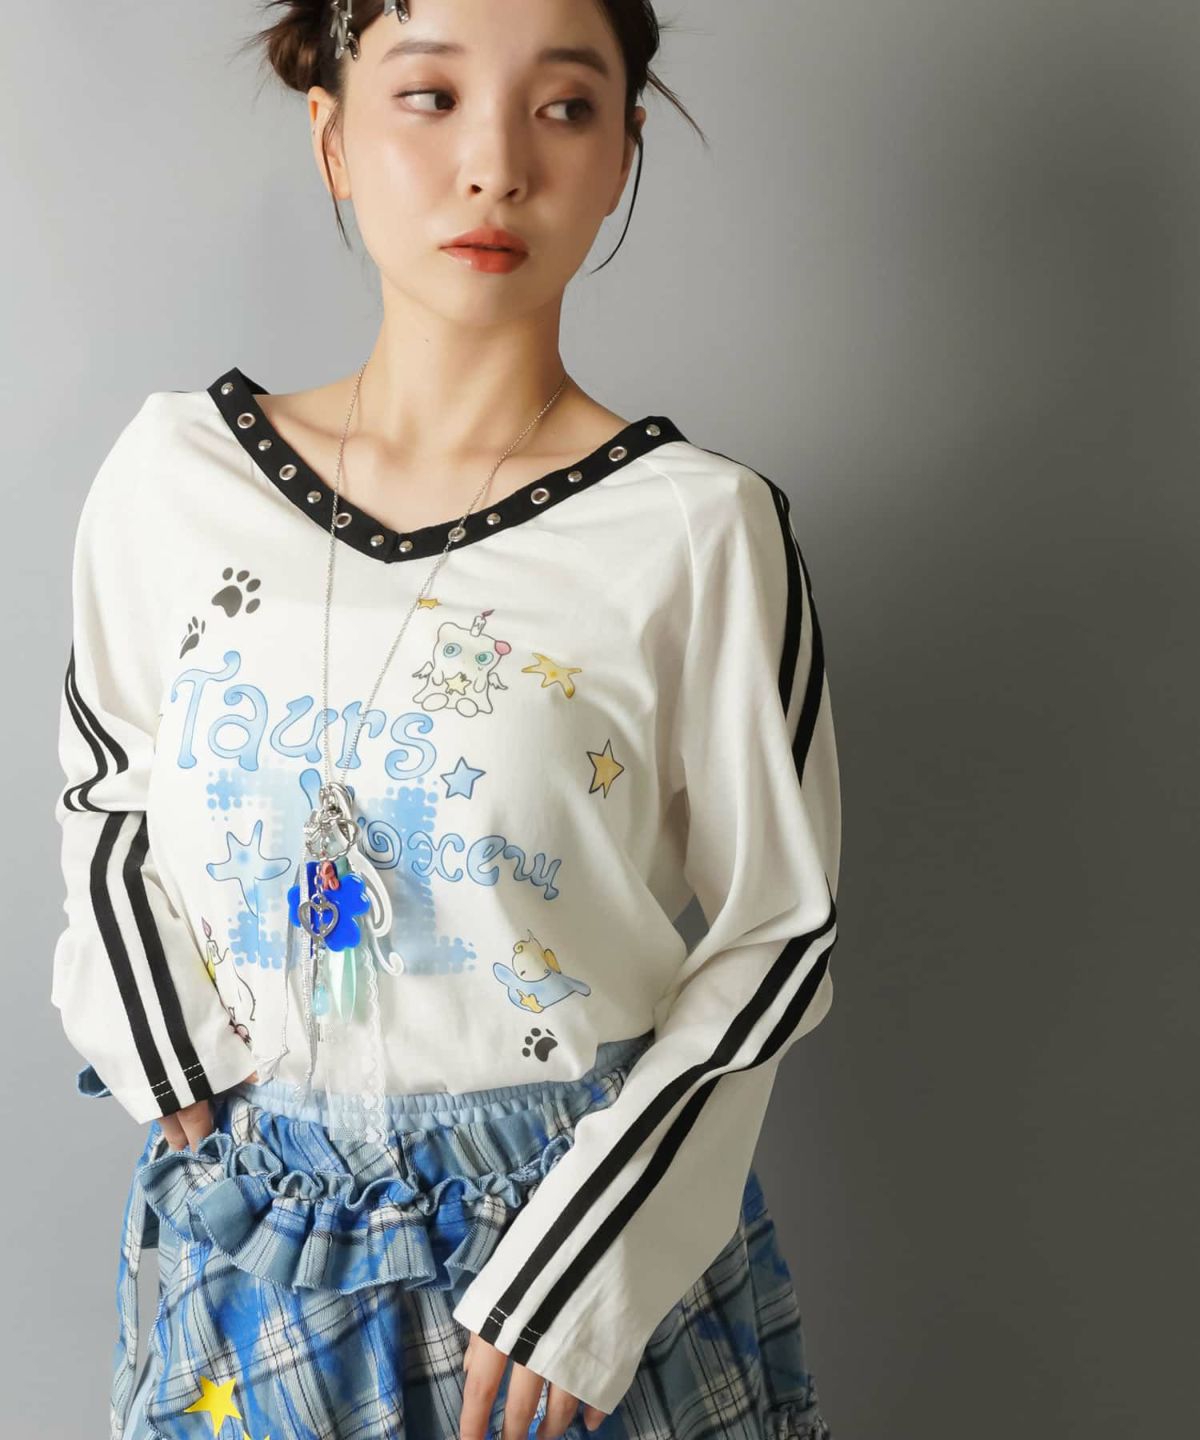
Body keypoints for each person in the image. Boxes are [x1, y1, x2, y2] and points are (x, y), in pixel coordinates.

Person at [50, 2, 841, 1438]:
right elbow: (111, 791)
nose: (496, 165)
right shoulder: (175, 478)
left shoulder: (696, 531)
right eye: (429, 97)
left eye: (564, 108)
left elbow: (775, 938)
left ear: (622, 153)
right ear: (332, 133)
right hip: (260, 1243)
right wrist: (179, 1064)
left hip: (565, 1265)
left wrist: (584, 1280)